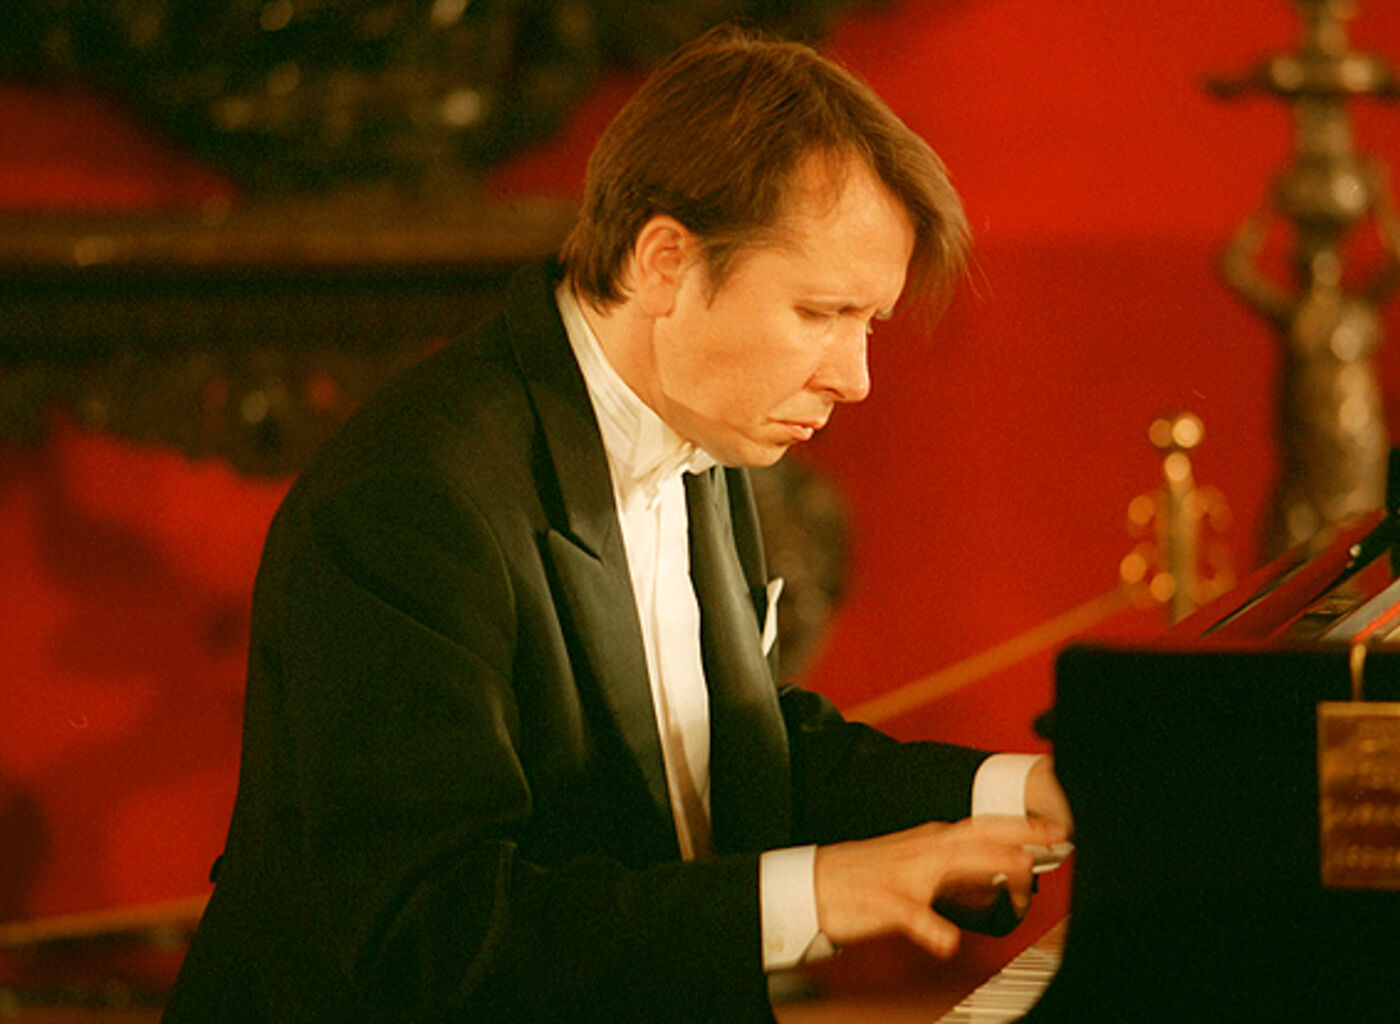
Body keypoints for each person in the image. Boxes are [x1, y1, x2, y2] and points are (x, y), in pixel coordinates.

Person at [163, 25, 1072, 1024]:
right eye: (820, 313)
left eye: (868, 324)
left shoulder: (690, 414)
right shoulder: (413, 498)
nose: (853, 377)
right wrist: (818, 894)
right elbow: (430, 936)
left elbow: (731, 751)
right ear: (665, 262)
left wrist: (1017, 794)